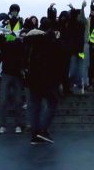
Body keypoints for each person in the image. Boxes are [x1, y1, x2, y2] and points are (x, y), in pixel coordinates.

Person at [26, 12, 65, 145]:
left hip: (33, 78)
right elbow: (60, 59)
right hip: (49, 79)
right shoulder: (52, 41)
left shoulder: (32, 39)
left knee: (35, 106)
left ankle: (35, 134)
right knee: (52, 103)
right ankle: (42, 130)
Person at [0, 19, 25, 135]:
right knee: (3, 101)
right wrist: (3, 31)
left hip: (17, 75)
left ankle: (18, 124)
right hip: (7, 74)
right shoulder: (5, 44)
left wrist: (17, 36)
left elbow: (23, 54)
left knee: (18, 101)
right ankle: (3, 125)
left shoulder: (19, 44)